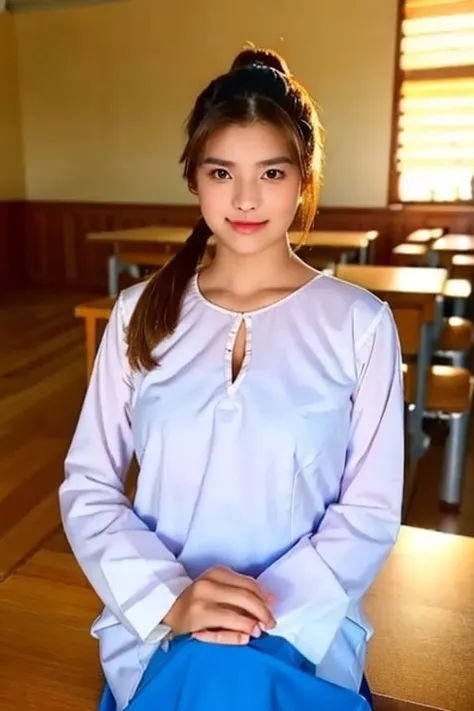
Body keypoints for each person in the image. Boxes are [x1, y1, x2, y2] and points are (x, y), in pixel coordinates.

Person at [59, 47, 404, 711]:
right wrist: (174, 597)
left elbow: (371, 508)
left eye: (270, 171)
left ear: (303, 178)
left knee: (235, 682)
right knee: (210, 679)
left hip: (304, 626)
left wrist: (262, 611)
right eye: (223, 171)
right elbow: (90, 483)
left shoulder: (359, 323)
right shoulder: (139, 312)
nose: (246, 198)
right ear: (195, 178)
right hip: (162, 623)